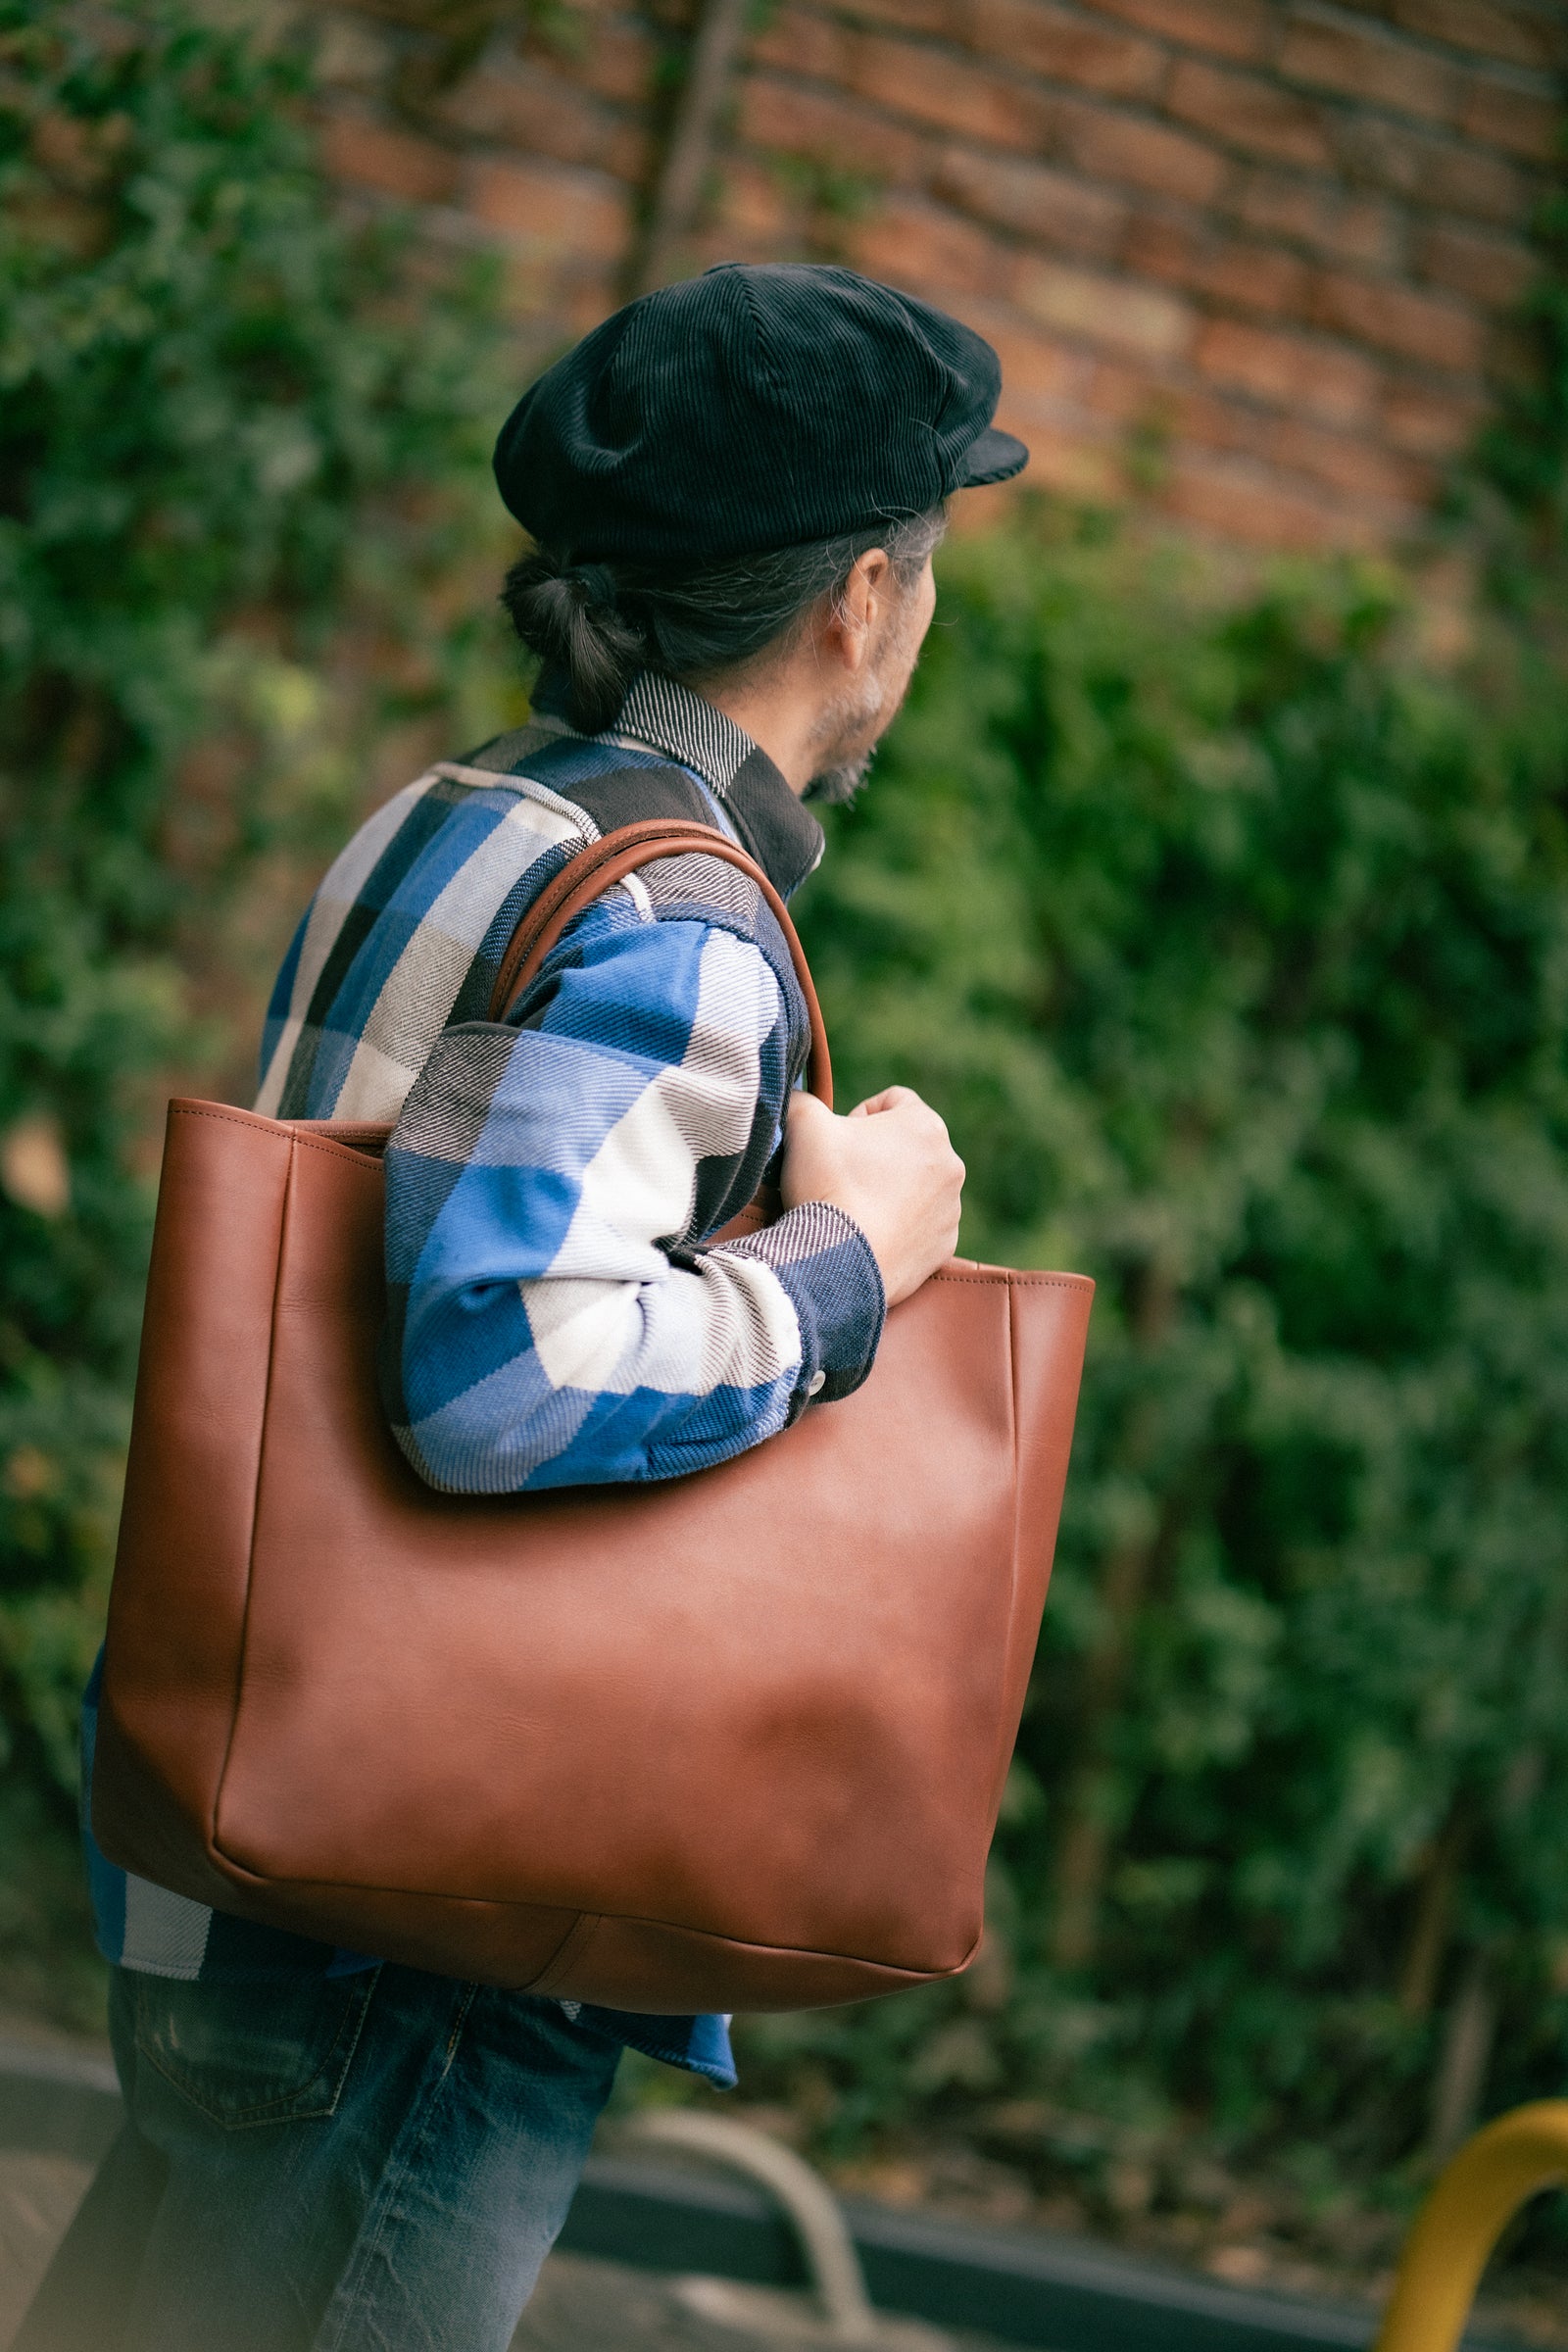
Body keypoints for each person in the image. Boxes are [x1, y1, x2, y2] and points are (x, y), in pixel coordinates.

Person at [20, 261, 1027, 2352]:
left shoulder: (464, 815)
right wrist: (851, 1268)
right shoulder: (677, 927)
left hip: (248, 1846)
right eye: (924, 584)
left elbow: (424, 1243)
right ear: (861, 598)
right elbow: (499, 1368)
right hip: (425, 1938)